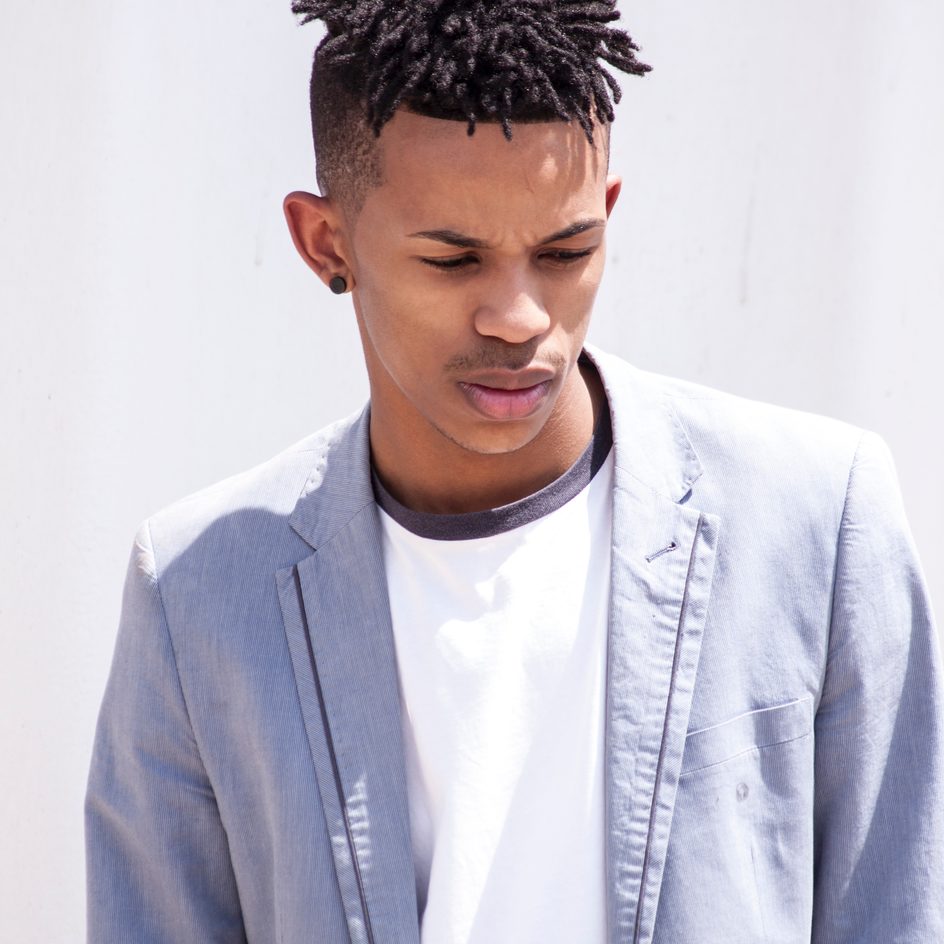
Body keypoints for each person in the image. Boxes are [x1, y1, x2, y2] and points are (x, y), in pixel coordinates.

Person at [85, 1, 944, 941]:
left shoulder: (818, 520)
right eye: (454, 260)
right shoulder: (197, 594)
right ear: (326, 243)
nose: (521, 318)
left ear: (607, 212)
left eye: (565, 251)